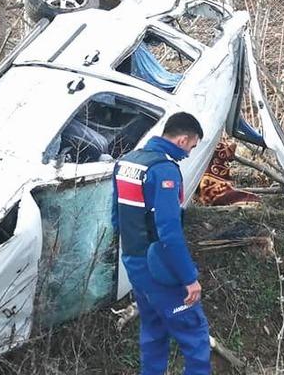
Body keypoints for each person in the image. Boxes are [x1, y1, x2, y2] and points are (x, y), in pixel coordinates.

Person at [112, 112, 210, 374]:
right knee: (195, 334)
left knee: (153, 331)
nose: (189, 153)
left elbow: (115, 217)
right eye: (191, 146)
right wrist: (189, 278)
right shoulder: (164, 170)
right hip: (159, 268)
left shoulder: (127, 162)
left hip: (133, 262)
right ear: (182, 140)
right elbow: (169, 231)